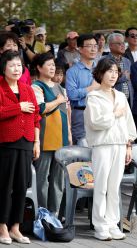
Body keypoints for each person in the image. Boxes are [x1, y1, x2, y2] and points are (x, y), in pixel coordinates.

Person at [84, 57, 137, 241]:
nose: (113, 75)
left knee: (114, 187)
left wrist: (128, 145)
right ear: (100, 73)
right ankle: (100, 225)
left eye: (116, 72)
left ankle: (113, 223)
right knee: (101, 186)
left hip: (120, 145)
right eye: (110, 71)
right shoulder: (93, 96)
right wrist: (114, 114)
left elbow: (128, 122)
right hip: (102, 145)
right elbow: (96, 122)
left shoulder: (121, 96)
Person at [0, 50, 41, 245]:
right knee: (4, 186)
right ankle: (2, 227)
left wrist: (37, 141)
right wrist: (18, 107)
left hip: (26, 141)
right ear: (4, 68)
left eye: (19, 65)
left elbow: (36, 117)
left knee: (21, 186)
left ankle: (15, 227)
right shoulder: (0, 87)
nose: (16, 69)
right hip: (6, 142)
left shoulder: (27, 88)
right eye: (12, 65)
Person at [31, 52, 71, 215]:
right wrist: (58, 100)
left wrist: (69, 135)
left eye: (54, 65)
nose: (52, 68)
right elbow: (40, 109)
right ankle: (41, 213)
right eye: (49, 65)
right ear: (39, 68)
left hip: (61, 139)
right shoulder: (36, 87)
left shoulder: (61, 88)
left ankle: (54, 214)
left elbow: (67, 113)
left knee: (58, 179)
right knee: (42, 179)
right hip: (44, 139)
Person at [66, 34, 99, 146]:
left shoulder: (102, 69)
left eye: (95, 45)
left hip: (100, 113)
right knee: (83, 150)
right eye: (89, 46)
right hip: (81, 114)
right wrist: (91, 88)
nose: (93, 49)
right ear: (80, 49)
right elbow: (71, 95)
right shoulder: (72, 71)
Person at [103, 33, 133, 107]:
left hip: (128, 101)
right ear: (110, 45)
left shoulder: (127, 61)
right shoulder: (104, 61)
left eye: (123, 43)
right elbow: (105, 80)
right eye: (119, 43)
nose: (123, 46)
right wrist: (124, 77)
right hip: (112, 101)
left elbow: (130, 80)